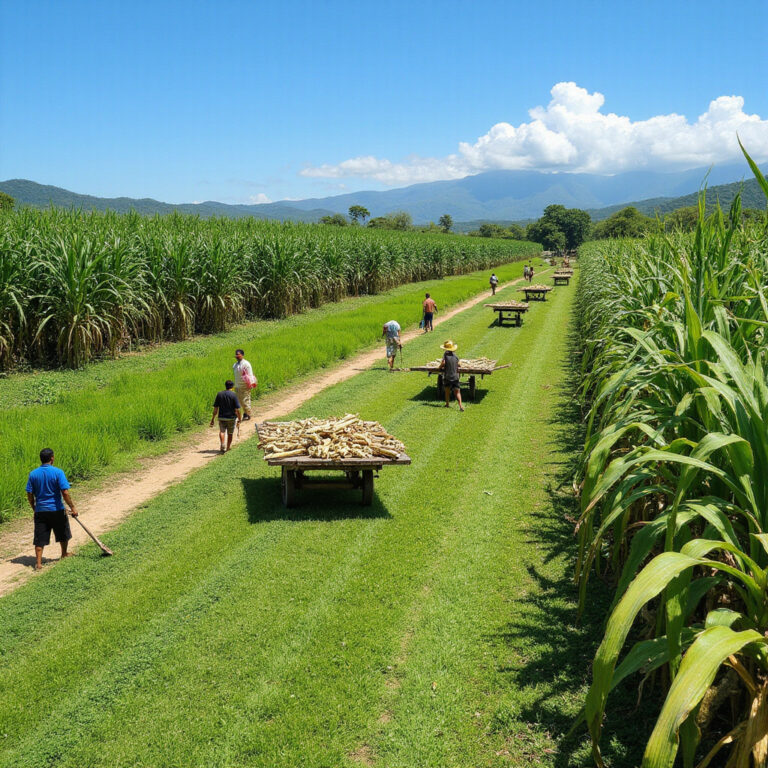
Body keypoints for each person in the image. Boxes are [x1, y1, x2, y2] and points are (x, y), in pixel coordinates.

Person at [26, 448, 78, 571]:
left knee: (39, 536)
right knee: (63, 532)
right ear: (52, 458)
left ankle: (38, 563)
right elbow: (65, 492)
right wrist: (72, 507)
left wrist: (34, 507)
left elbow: (29, 494)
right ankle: (64, 553)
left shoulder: (33, 474)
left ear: (41, 459)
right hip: (57, 509)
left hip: (41, 511)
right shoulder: (58, 472)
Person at [210, 380, 242, 454]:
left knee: (222, 431)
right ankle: (227, 448)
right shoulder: (234, 395)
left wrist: (212, 419)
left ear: (225, 386)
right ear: (232, 387)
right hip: (231, 418)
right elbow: (237, 409)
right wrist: (239, 419)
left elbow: (215, 408)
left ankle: (222, 444)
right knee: (230, 433)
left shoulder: (219, 394)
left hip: (221, 417)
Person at [438, 340, 464, 411]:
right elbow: (459, 364)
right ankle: (461, 406)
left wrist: (439, 367)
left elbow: (443, 363)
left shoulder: (445, 355)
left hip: (448, 376)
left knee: (447, 390)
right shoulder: (455, 356)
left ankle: (447, 404)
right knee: (457, 391)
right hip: (455, 376)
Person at [232, 349, 256, 421]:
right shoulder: (235, 365)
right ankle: (243, 414)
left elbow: (250, 374)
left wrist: (251, 383)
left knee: (245, 401)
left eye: (238, 354)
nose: (237, 356)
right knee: (239, 401)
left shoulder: (246, 364)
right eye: (236, 354)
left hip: (245, 386)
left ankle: (248, 414)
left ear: (242, 355)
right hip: (237, 385)